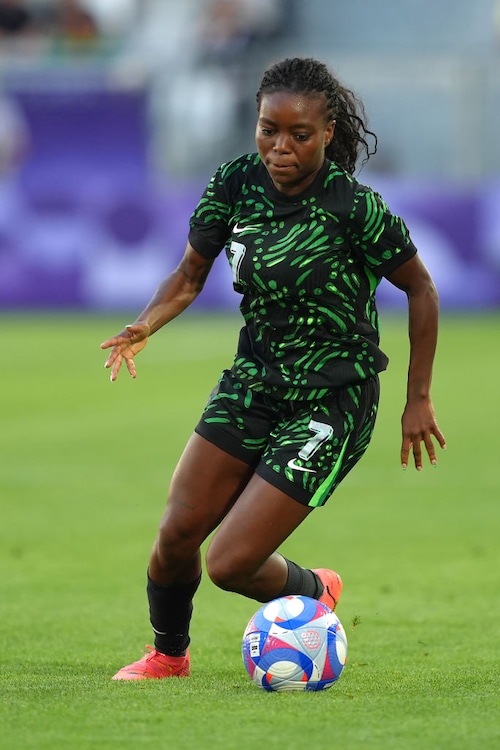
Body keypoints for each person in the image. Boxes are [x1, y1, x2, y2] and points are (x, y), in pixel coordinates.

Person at [101, 56, 446, 680]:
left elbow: (421, 289)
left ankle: (315, 590)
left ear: (329, 132)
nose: (280, 148)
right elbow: (188, 276)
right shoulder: (235, 184)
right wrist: (146, 322)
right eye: (268, 131)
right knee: (177, 533)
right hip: (253, 382)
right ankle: (168, 657)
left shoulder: (354, 210)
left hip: (331, 401)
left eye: (299, 135)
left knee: (229, 564)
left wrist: (416, 398)